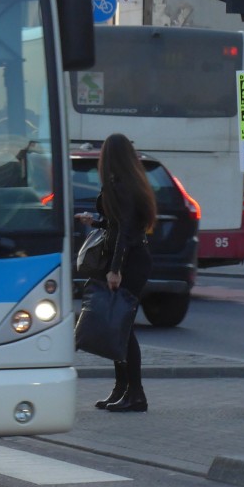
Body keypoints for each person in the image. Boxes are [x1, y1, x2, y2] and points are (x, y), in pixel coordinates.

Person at [74, 132, 156, 413]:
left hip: (129, 262)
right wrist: (96, 222)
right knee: (118, 325)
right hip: (132, 258)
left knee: (122, 326)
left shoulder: (121, 186)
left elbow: (124, 232)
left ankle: (136, 394)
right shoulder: (127, 183)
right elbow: (118, 224)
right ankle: (122, 389)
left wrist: (115, 269)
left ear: (109, 156)